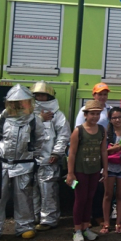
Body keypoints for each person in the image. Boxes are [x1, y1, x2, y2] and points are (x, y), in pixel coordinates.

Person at [0, 85, 45, 241]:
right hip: (1, 165)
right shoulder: (0, 119)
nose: (19, 106)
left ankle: (25, 227)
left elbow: (40, 141)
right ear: (9, 104)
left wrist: (34, 158)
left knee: (23, 197)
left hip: (23, 165)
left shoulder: (34, 121)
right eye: (16, 103)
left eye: (23, 102)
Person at [66, 99, 108, 241]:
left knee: (90, 198)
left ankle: (86, 227)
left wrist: (105, 170)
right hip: (80, 170)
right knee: (80, 199)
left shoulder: (102, 130)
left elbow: (103, 151)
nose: (95, 117)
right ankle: (77, 230)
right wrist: (70, 173)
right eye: (92, 114)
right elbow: (71, 153)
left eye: (97, 114)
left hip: (94, 169)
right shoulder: (79, 131)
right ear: (85, 114)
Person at [31, 81, 70, 231]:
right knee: (31, 190)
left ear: (49, 97)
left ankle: (49, 219)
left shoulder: (58, 116)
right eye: (37, 95)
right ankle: (34, 217)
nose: (40, 98)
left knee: (48, 191)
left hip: (49, 160)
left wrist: (56, 153)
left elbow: (63, 135)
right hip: (30, 160)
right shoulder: (29, 115)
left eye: (43, 95)